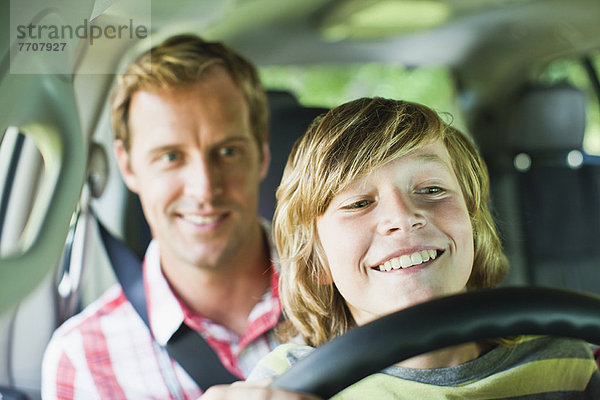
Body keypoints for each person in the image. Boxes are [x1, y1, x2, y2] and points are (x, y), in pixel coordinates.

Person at [201, 97, 600, 399]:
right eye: (358, 203)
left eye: (431, 190)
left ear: (474, 229)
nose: (403, 218)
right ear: (316, 260)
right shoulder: (289, 385)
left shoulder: (563, 357)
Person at [42, 34, 283, 399]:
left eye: (228, 151)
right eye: (170, 157)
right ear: (127, 165)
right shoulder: (84, 359)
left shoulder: (352, 293)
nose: (204, 189)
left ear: (262, 154)